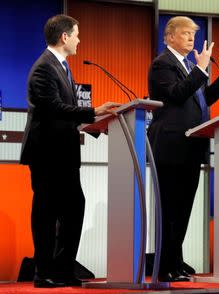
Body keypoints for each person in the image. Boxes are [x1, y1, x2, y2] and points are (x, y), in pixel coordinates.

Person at [19, 14, 119, 288]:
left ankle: (62, 269)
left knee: (74, 209)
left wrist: (97, 125)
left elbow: (66, 115)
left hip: (64, 154)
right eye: (76, 34)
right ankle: (44, 273)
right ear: (64, 37)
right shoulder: (44, 68)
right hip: (47, 155)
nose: (79, 40)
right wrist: (94, 111)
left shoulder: (61, 66)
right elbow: (53, 108)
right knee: (47, 213)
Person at [147, 16, 219, 282]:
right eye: (185, 34)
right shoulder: (162, 64)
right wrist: (201, 69)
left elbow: (201, 98)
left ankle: (176, 261)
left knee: (183, 208)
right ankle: (165, 265)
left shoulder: (187, 65)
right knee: (170, 208)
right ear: (169, 36)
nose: (190, 39)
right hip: (171, 146)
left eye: (193, 35)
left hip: (192, 146)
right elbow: (176, 94)